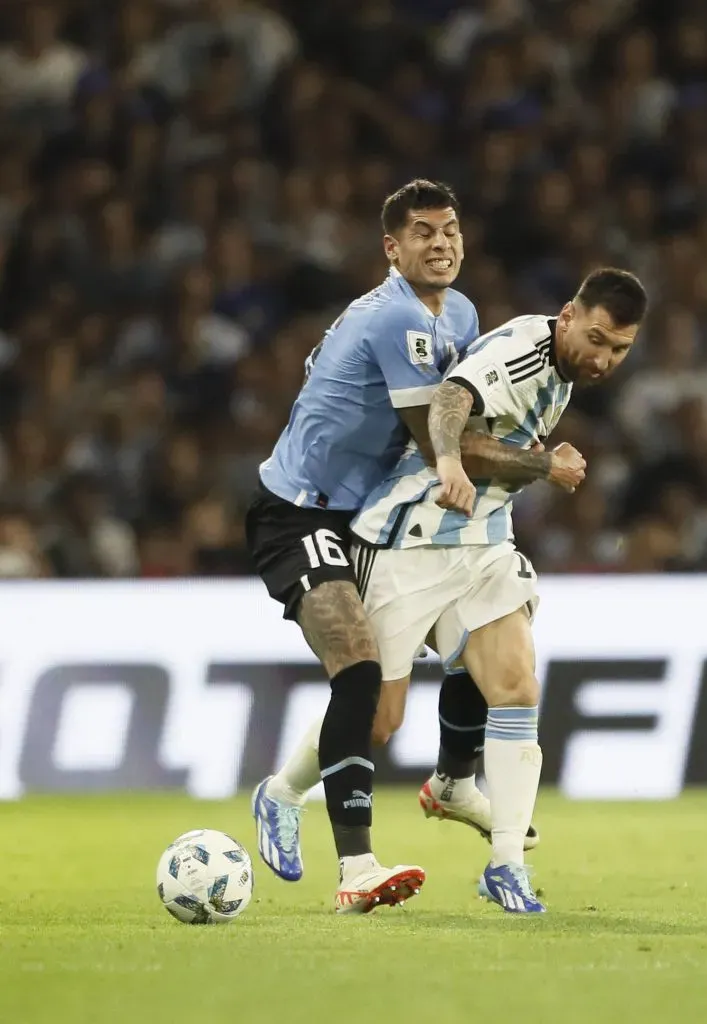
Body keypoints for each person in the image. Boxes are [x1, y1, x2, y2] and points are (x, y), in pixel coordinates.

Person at [259, 267, 648, 913]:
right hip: (406, 541)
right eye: (597, 339)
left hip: (482, 543)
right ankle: (281, 793)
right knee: (377, 721)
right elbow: (448, 402)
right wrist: (525, 462)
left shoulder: (563, 369)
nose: (603, 359)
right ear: (567, 317)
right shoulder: (520, 352)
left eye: (619, 349)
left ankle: (505, 864)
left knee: (516, 685)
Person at [246, 179, 560, 913]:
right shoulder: (395, 318)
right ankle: (353, 864)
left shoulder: (462, 313)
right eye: (422, 232)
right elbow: (436, 441)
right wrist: (539, 462)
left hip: (372, 519)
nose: (440, 243)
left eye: (449, 230)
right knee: (359, 674)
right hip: (300, 514)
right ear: (392, 249)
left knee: (404, 701)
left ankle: (427, 783)